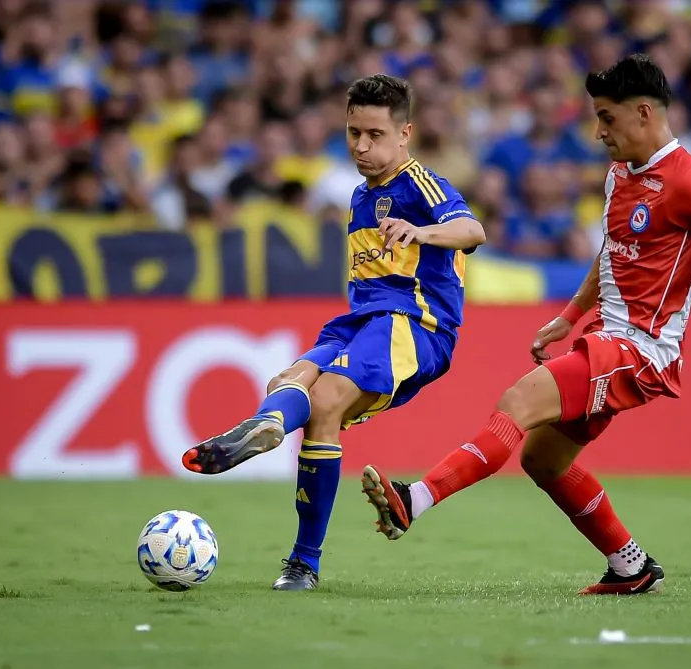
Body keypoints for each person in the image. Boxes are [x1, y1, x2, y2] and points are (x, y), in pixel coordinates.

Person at [360, 54, 691, 596]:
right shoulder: (619, 177)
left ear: (643, 114)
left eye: (607, 118)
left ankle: (413, 500)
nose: (599, 130)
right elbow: (611, 254)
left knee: (516, 403)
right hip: (606, 338)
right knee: (543, 460)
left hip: (641, 349)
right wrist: (569, 316)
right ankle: (631, 566)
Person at [182, 74, 486, 591]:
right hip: (361, 320)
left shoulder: (419, 183)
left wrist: (421, 231)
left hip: (413, 324)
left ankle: (303, 557)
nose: (362, 146)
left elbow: (473, 231)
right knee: (291, 381)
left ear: (404, 133)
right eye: (353, 133)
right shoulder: (359, 197)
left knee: (322, 404)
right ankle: (269, 431)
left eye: (374, 135)